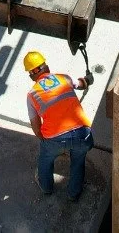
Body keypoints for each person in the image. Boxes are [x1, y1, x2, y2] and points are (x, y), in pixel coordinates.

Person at [24, 50, 93, 201]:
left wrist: (51, 143)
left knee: (45, 160)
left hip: (55, 139)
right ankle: (74, 194)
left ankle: (46, 187)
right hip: (83, 134)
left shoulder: (32, 95)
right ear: (46, 66)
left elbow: (36, 129)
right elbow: (81, 84)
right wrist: (88, 80)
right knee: (78, 161)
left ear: (31, 74)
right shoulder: (63, 78)